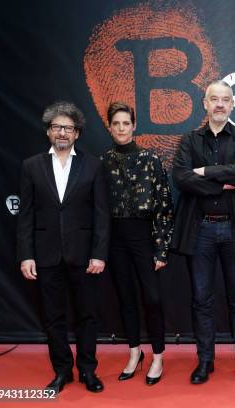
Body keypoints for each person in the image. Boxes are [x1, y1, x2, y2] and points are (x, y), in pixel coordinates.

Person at [172, 80, 235, 384]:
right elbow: (182, 179)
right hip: (200, 231)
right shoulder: (189, 140)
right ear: (205, 104)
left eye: (226, 99)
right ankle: (205, 361)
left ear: (232, 105)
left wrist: (205, 172)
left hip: (234, 230)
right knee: (201, 300)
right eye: (215, 99)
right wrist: (224, 177)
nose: (220, 104)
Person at [17, 101, 109, 393]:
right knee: (53, 317)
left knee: (87, 315)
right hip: (45, 255)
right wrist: (26, 255)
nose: (62, 133)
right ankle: (62, 371)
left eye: (68, 128)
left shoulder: (93, 165)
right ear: (48, 131)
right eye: (57, 127)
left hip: (83, 255)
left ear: (77, 134)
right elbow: (26, 215)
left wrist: (99, 253)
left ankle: (87, 370)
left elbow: (101, 215)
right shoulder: (31, 166)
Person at [99, 102, 173, 385]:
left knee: (152, 299)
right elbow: (98, 209)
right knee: (126, 299)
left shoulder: (151, 160)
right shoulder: (102, 162)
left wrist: (162, 248)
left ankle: (157, 355)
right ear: (110, 127)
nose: (121, 128)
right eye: (116, 124)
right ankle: (134, 352)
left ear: (134, 126)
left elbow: (164, 207)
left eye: (125, 123)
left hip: (144, 238)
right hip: (115, 240)